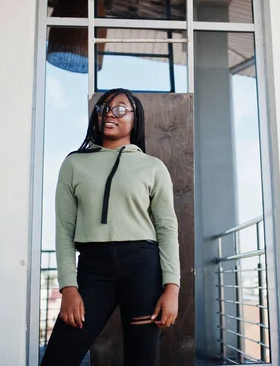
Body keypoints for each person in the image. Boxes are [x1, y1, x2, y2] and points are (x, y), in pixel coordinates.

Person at [41, 88, 180, 366]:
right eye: (103, 109)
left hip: (143, 269)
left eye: (119, 109)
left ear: (135, 118)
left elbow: (166, 228)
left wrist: (172, 289)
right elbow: (64, 230)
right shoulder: (74, 164)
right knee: (57, 359)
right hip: (93, 271)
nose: (109, 114)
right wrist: (68, 286)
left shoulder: (153, 167)